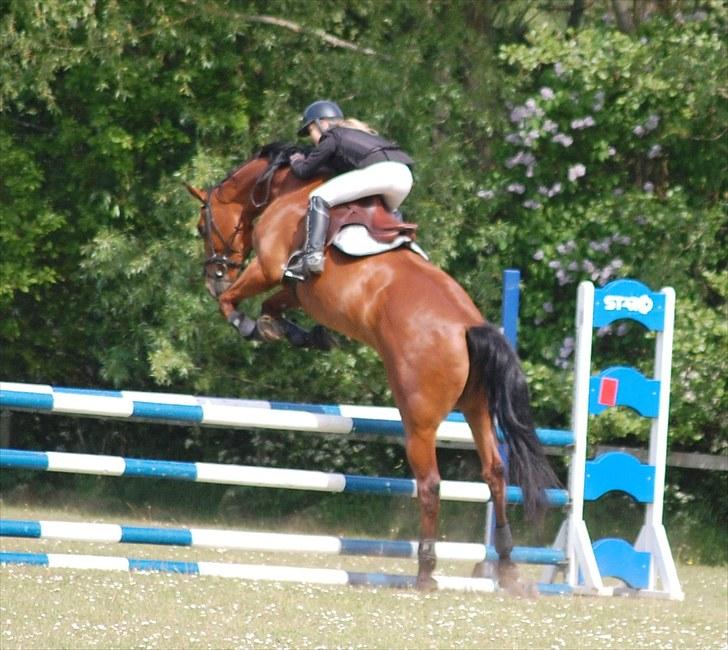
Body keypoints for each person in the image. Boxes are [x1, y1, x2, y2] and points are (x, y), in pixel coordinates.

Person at [285, 100, 414, 280]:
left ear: (322, 123)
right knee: (384, 215)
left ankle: (312, 256)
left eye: (310, 131)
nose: (312, 139)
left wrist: (296, 159)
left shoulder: (331, 136)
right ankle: (402, 246)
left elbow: (304, 170)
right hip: (404, 177)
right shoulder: (358, 134)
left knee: (318, 196)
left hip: (382, 174)